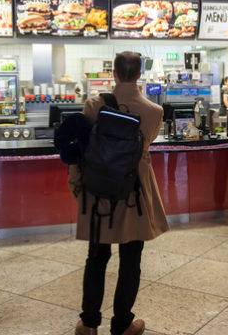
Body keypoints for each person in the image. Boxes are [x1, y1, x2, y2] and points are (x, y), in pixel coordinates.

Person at [69, 51, 169, 335]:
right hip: (133, 194)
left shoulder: (94, 104)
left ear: (113, 73)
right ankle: (123, 324)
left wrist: (77, 186)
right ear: (140, 74)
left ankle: (88, 324)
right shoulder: (154, 111)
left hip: (98, 191)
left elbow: (79, 152)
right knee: (131, 259)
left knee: (97, 257)